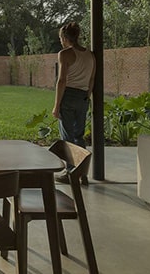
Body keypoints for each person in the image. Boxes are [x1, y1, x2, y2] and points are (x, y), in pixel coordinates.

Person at [52, 22, 95, 183]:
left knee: (68, 136)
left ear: (64, 37)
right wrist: (87, 97)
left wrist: (56, 106)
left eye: (60, 38)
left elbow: (62, 80)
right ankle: (82, 173)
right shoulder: (90, 55)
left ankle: (70, 173)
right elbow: (91, 79)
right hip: (84, 96)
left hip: (68, 96)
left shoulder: (65, 54)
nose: (61, 41)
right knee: (79, 136)